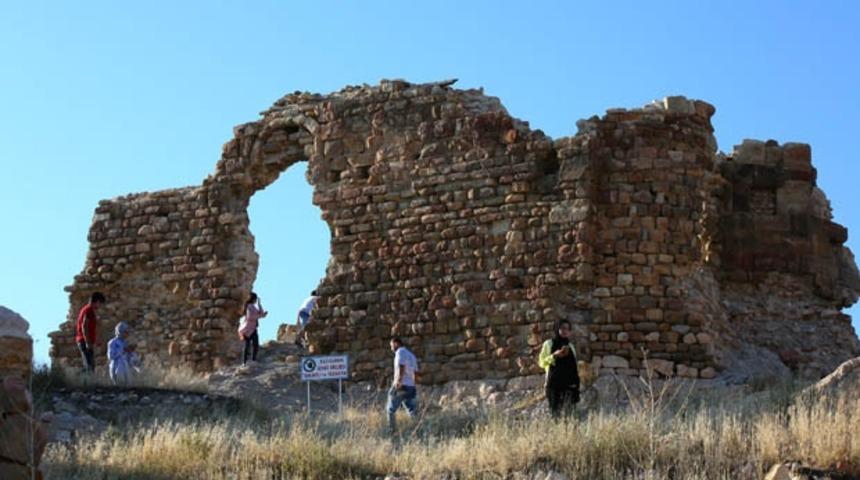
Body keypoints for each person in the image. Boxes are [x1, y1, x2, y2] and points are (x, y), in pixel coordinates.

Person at [538, 319, 580, 418]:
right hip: (554, 385)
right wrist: (554, 356)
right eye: (562, 328)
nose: (565, 331)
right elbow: (541, 362)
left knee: (570, 416)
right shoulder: (549, 344)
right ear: (557, 329)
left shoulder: (571, 346)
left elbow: (574, 367)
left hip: (570, 386)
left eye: (568, 329)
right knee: (555, 415)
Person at [387, 336, 419, 433]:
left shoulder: (400, 352)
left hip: (402, 385)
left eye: (391, 346)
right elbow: (416, 372)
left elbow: (401, 366)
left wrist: (398, 382)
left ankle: (391, 431)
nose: (391, 348)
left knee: (390, 410)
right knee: (411, 411)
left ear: (396, 343)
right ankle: (416, 430)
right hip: (411, 386)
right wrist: (414, 385)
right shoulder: (412, 355)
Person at [75, 292, 106, 373]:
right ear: (97, 301)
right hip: (84, 341)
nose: (100, 307)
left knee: (89, 365)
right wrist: (87, 342)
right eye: (100, 304)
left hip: (84, 340)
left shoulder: (86, 309)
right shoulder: (89, 310)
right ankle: (84, 382)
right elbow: (84, 326)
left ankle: (83, 380)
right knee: (89, 366)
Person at [238, 292, 267, 365]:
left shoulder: (253, 307)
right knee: (247, 345)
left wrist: (259, 305)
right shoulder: (249, 306)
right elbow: (250, 317)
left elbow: (261, 313)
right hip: (247, 329)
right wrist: (260, 316)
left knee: (255, 345)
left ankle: (252, 360)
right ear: (253, 299)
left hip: (253, 328)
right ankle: (244, 362)